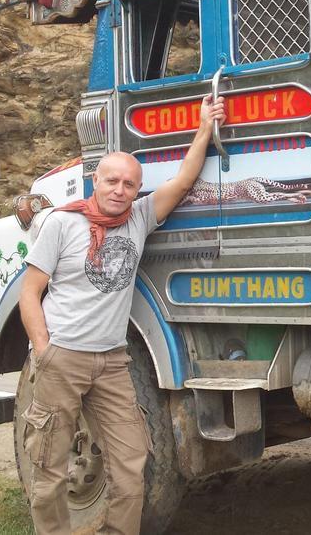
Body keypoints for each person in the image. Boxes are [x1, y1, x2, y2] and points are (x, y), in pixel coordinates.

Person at [18, 94, 226, 534]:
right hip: (64, 359)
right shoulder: (61, 223)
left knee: (132, 466)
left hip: (112, 363)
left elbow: (183, 181)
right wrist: (43, 350)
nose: (119, 190)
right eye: (112, 181)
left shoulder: (139, 218)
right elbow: (30, 292)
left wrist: (205, 127)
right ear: (97, 180)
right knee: (48, 469)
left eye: (129, 184)